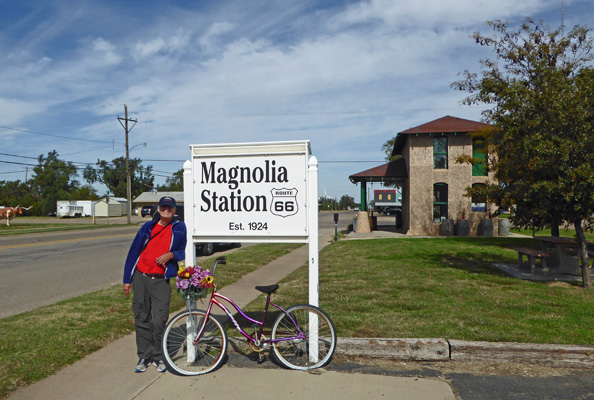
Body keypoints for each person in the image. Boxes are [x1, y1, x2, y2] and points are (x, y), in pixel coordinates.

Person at [123, 196, 187, 373]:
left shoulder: (180, 228)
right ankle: (144, 356)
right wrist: (127, 280)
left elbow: (184, 250)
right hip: (141, 277)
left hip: (161, 280)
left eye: (170, 208)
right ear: (158, 209)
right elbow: (133, 254)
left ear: (174, 211)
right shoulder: (147, 227)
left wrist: (172, 255)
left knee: (159, 320)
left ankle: (158, 356)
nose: (167, 210)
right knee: (142, 317)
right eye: (163, 207)